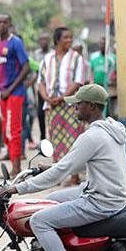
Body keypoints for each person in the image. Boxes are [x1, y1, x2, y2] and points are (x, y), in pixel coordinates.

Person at [3, 84, 126, 251]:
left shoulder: (91, 137)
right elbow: (73, 164)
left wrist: (17, 188)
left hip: (100, 201)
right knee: (52, 199)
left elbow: (61, 174)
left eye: (78, 104)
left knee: (39, 220)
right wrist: (50, 167)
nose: (74, 108)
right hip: (109, 193)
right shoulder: (111, 128)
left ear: (90, 106)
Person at [38, 27, 86, 186]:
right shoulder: (47, 59)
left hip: (71, 105)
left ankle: (74, 176)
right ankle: (57, 176)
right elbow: (41, 82)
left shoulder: (77, 58)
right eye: (66, 38)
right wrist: (47, 97)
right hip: (52, 106)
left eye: (71, 37)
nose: (69, 41)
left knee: (74, 139)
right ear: (57, 40)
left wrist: (61, 97)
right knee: (56, 140)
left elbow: (78, 81)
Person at [0, 14, 30, 174]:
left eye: (5, 22)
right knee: (5, 129)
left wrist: (10, 89)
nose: (2, 25)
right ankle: (13, 161)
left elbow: (26, 67)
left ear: (10, 24)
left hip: (15, 94)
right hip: (3, 94)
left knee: (14, 130)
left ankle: (17, 167)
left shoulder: (16, 43)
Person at [34, 31, 51, 142]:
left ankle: (53, 136)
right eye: (41, 40)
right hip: (40, 87)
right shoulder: (36, 54)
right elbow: (35, 70)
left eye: (45, 39)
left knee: (50, 113)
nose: (43, 42)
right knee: (40, 113)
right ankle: (42, 137)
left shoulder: (53, 53)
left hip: (51, 88)